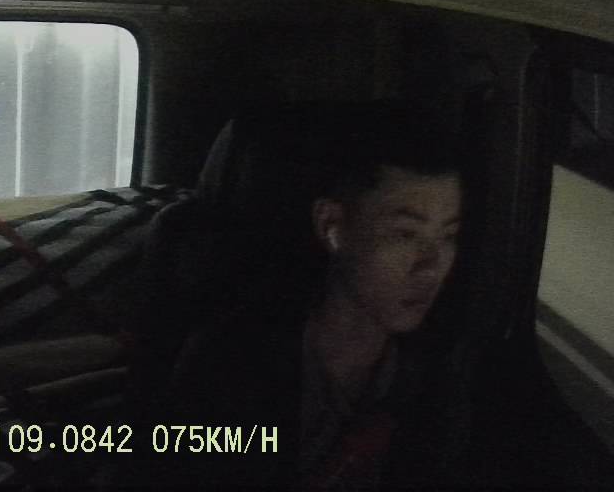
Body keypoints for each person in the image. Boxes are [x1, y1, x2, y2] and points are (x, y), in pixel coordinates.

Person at [116, 105, 474, 489]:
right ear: (331, 225)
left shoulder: (439, 371)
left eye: (448, 236)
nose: (431, 266)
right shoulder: (234, 363)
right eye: (405, 235)